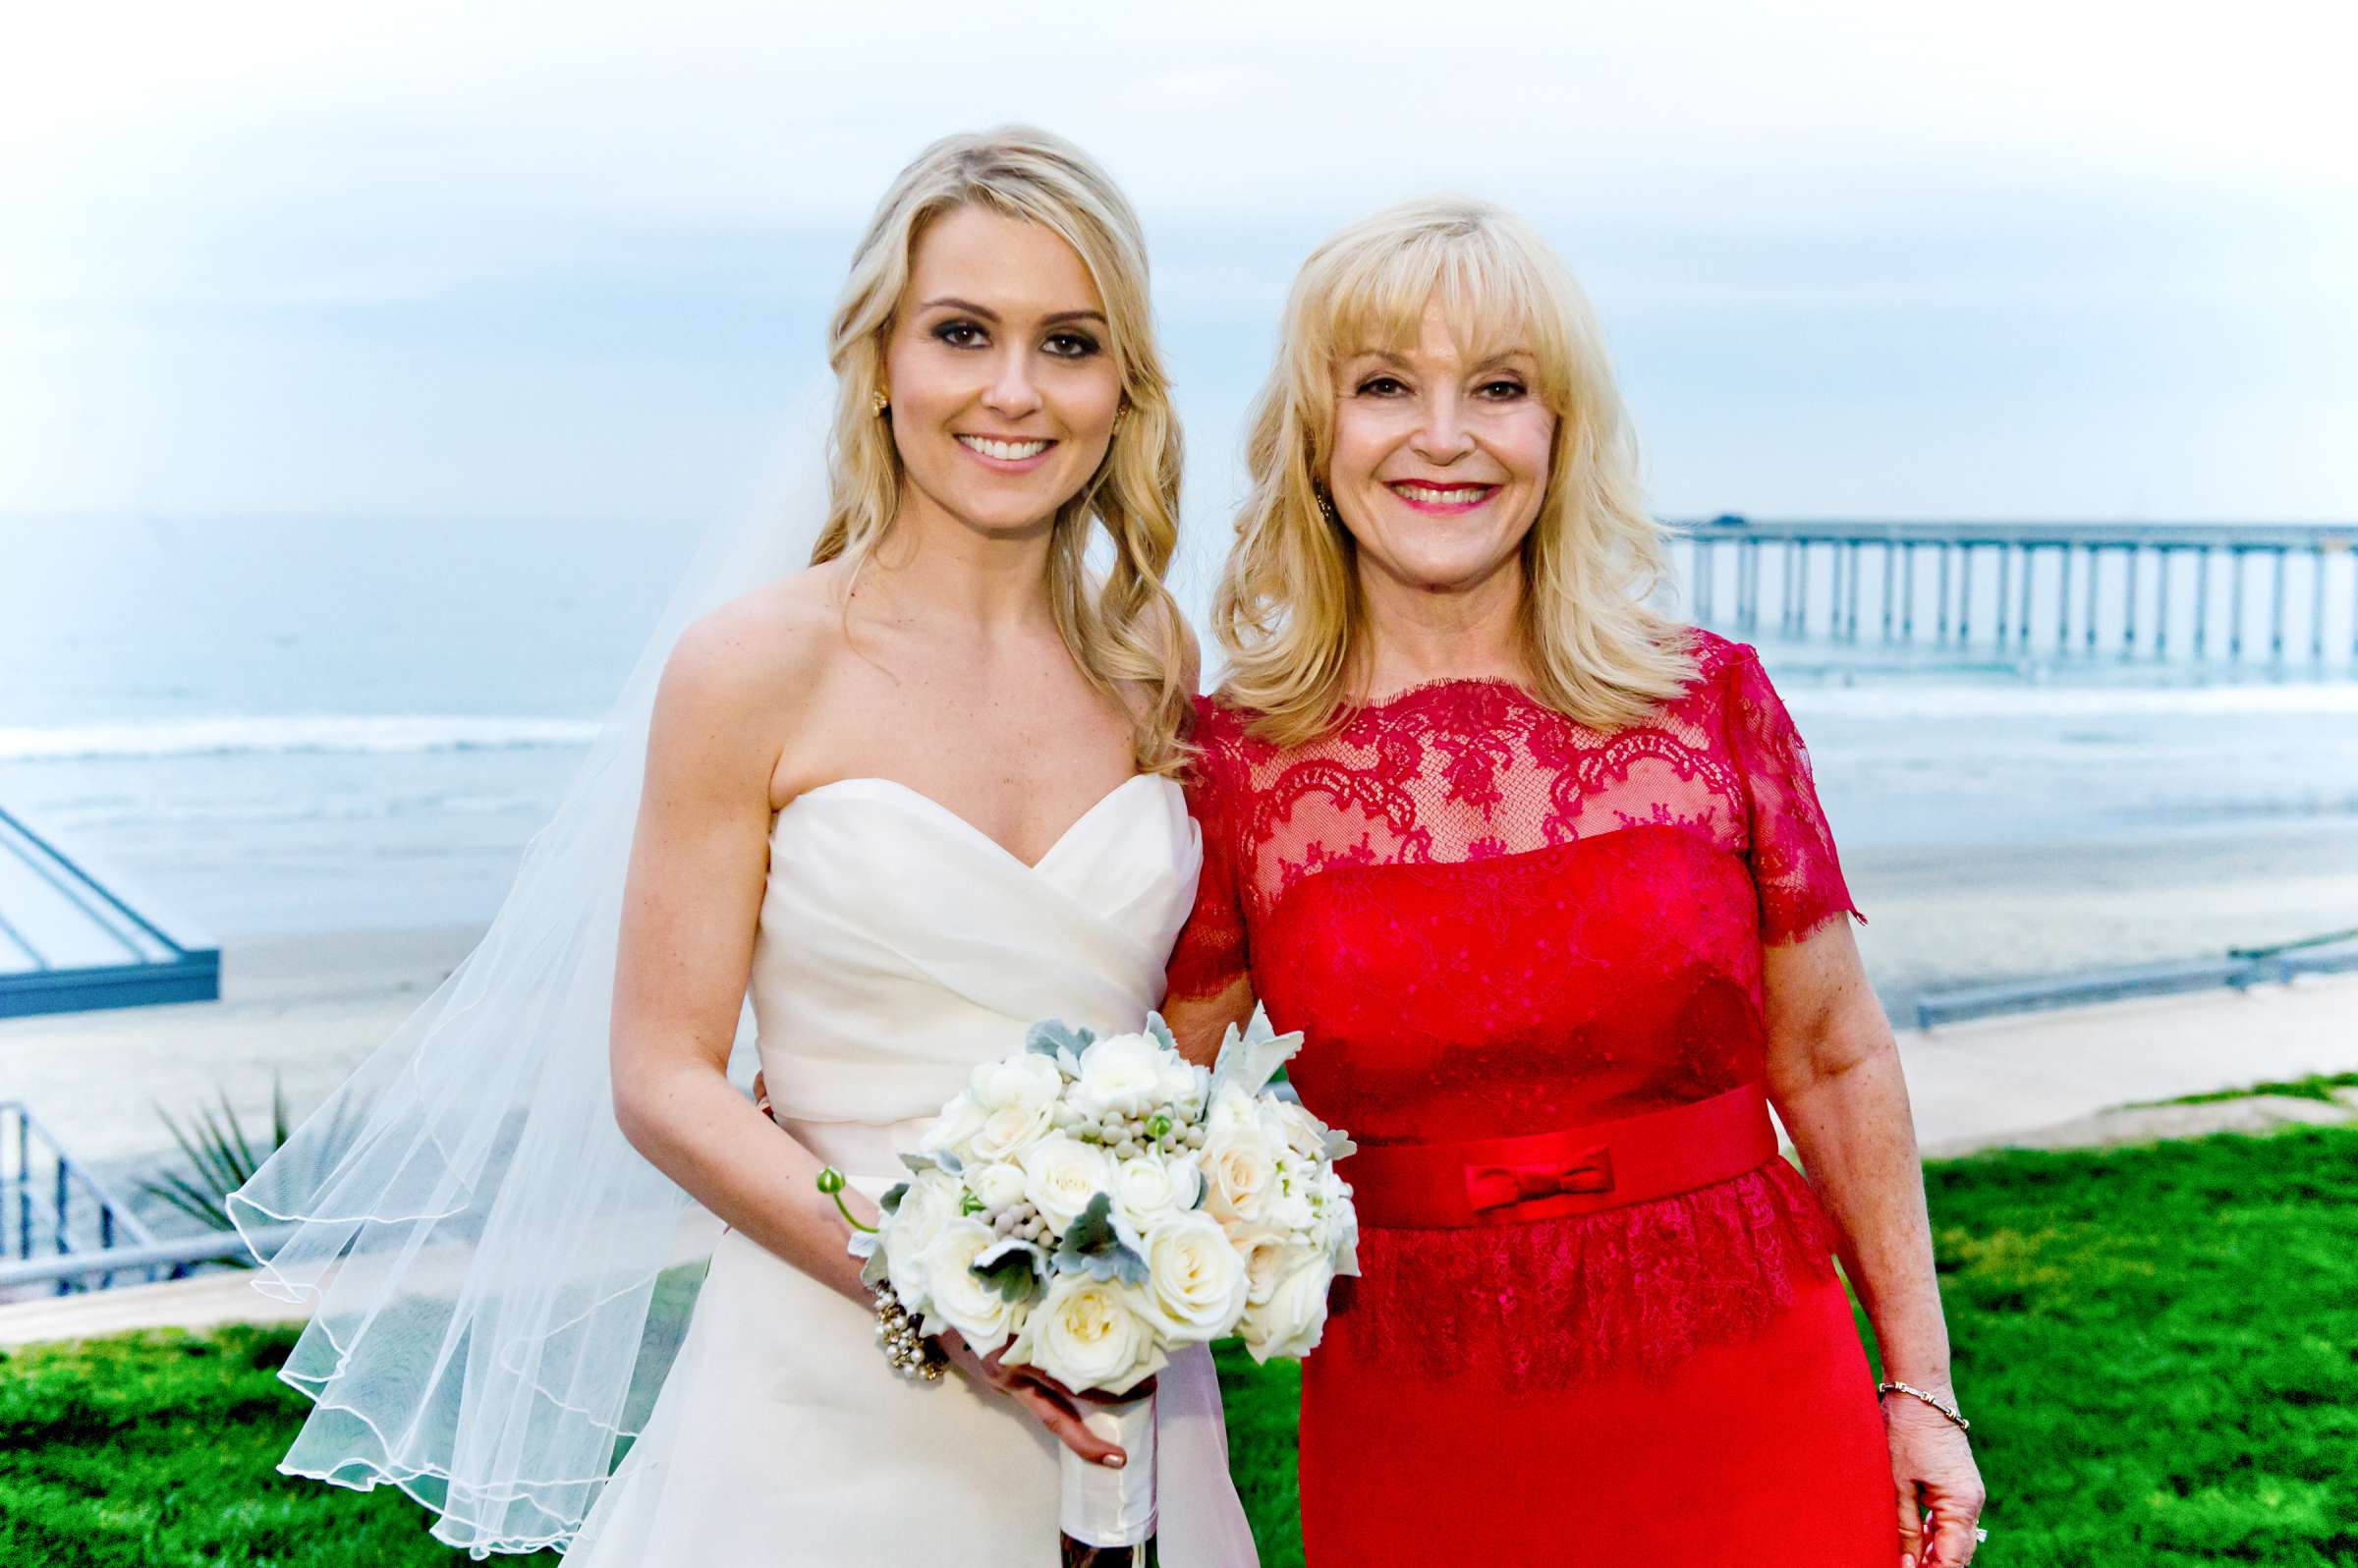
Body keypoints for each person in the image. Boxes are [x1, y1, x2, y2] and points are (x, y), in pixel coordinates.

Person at [235, 127, 1257, 1567]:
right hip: (828, 1389)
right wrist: (932, 1282)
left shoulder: (1150, 655)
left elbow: (1179, 1016)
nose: (1014, 392)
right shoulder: (751, 668)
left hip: (1124, 1379)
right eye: (962, 332)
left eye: (1069, 342)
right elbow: (661, 1075)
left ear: (1121, 386)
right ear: (882, 358)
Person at [1162, 198, 1986, 1567]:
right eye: (1384, 387)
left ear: (1561, 431)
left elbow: (1834, 1059)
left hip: (1753, 1395)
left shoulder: (1708, 703)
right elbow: (1145, 1097)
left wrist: (1922, 1388)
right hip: (1416, 1428)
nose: (1444, 435)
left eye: (1499, 388)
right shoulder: (1236, 768)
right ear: (1317, 436)